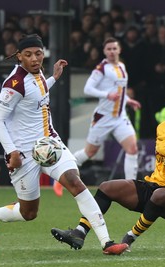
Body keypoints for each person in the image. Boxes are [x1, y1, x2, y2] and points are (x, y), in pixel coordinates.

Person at [0, 34, 128, 255]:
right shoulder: (14, 84)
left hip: (49, 144)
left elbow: (36, 93)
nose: (34, 59)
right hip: (23, 153)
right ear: (19, 57)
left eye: (38, 54)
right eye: (28, 55)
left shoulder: (37, 74)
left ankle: (107, 242)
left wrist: (54, 78)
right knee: (28, 213)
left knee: (76, 183)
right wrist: (13, 151)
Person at [51, 98, 165, 251]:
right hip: (153, 185)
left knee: (160, 194)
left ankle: (129, 237)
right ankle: (79, 232)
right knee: (106, 187)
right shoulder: (161, 128)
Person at [54, 37, 141, 195]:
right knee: (90, 152)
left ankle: (132, 187)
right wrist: (106, 94)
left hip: (120, 117)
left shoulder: (121, 66)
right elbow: (88, 89)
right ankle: (60, 175)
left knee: (132, 148)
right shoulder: (101, 69)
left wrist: (128, 100)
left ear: (119, 50)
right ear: (104, 51)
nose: (112, 52)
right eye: (109, 49)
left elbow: (120, 90)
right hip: (103, 117)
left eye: (114, 48)